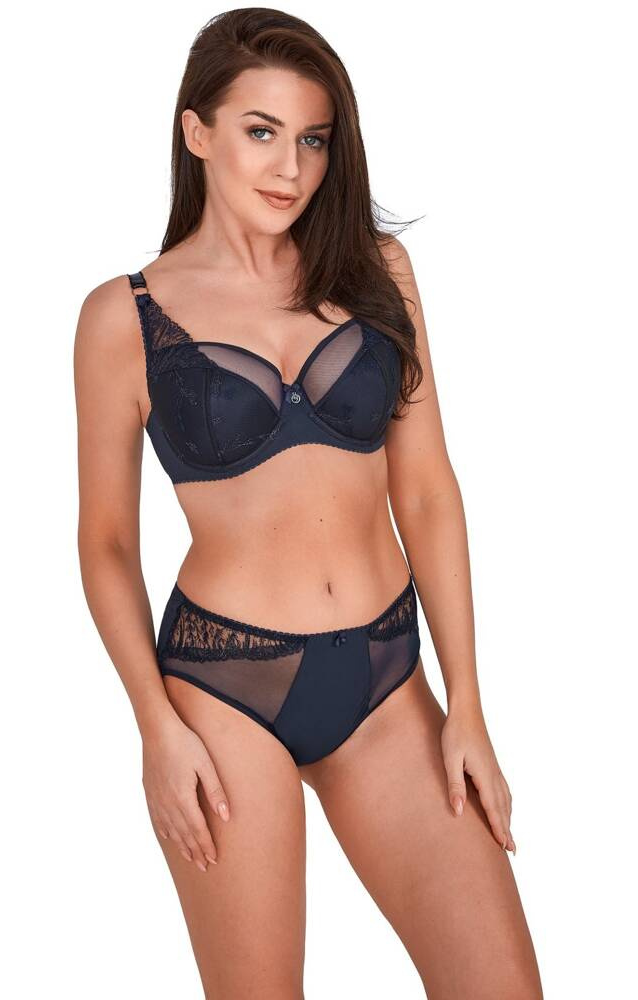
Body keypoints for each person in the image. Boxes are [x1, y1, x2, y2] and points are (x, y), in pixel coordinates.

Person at [74, 9, 543, 999]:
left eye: (314, 139)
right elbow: (107, 542)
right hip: (224, 687)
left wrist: (467, 705)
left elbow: (428, 490)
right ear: (197, 132)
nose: (291, 167)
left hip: (385, 677)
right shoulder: (125, 317)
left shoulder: (377, 272)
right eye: (261, 131)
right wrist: (156, 726)